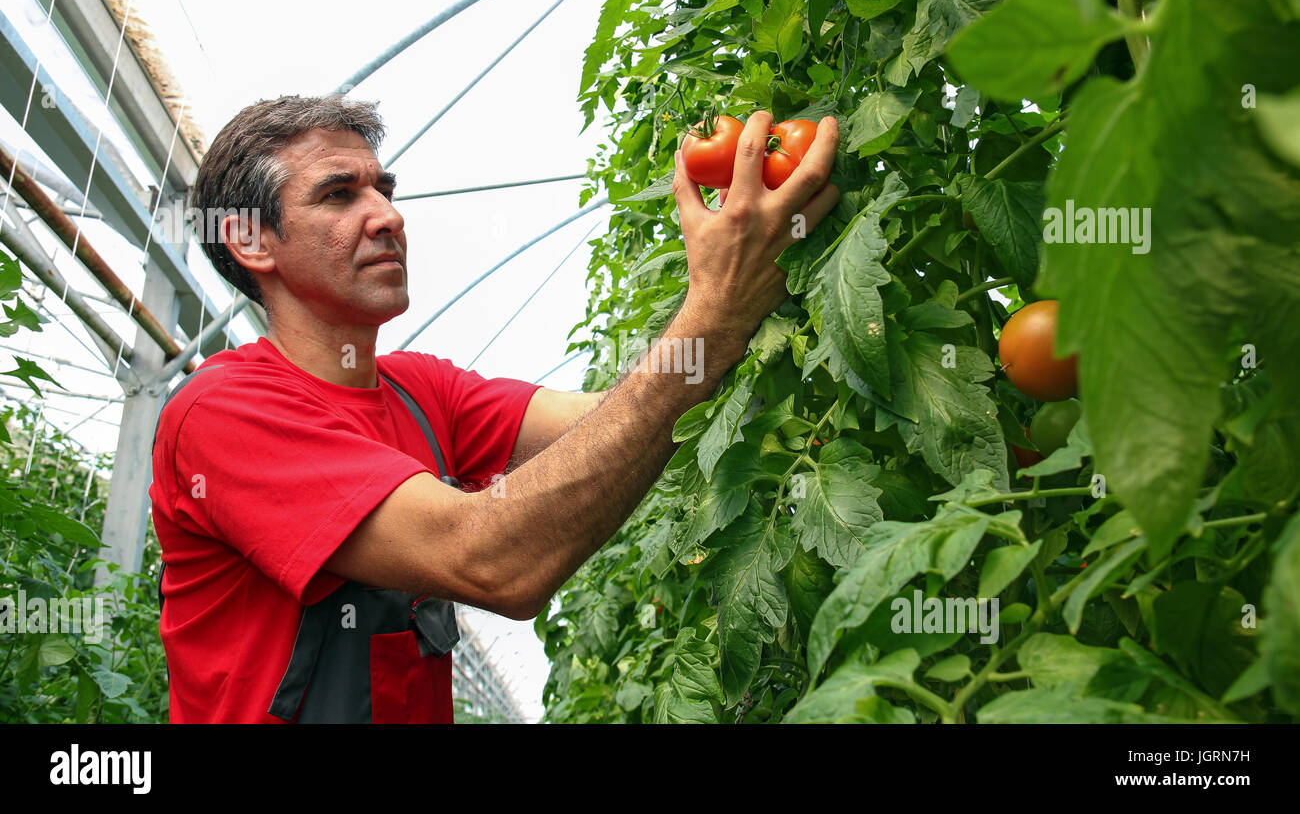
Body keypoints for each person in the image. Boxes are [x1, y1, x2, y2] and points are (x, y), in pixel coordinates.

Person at [149, 94, 840, 723]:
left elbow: (618, 417)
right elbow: (491, 560)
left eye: (384, 190)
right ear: (249, 239)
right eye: (338, 195)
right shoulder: (223, 412)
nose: (387, 216)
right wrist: (715, 311)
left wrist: (763, 269)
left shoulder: (421, 392)